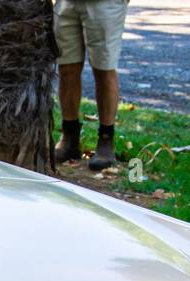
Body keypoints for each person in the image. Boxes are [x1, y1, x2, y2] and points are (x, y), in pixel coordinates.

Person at [52, 0, 128, 170]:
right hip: (66, 3)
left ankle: (106, 140)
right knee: (67, 69)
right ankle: (69, 139)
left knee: (104, 69)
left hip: (105, 5)